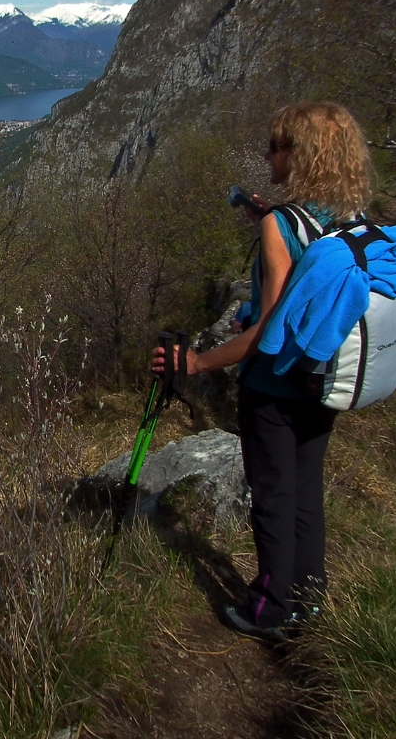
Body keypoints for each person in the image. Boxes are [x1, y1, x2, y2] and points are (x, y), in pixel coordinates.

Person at [153, 101, 375, 643]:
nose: (267, 154)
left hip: (275, 387)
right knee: (304, 492)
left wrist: (196, 362)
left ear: (301, 155)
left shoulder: (282, 223)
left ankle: (271, 609)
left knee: (272, 496)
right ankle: (308, 598)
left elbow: (264, 332)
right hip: (320, 383)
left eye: (276, 145)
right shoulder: (350, 220)